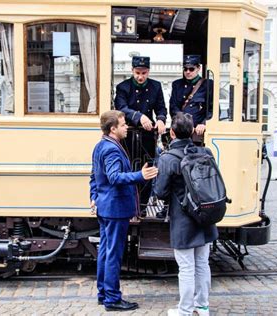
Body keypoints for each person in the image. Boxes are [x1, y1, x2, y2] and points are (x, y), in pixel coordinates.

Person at [89, 110, 158, 311]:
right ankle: (112, 298)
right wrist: (140, 175)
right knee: (113, 253)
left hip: (105, 206)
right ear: (113, 129)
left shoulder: (100, 145)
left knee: (105, 251)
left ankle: (103, 293)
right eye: (123, 124)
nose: (127, 126)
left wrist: (94, 196)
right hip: (115, 209)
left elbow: (94, 176)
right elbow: (114, 177)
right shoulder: (111, 149)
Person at [154, 113, 218, 316]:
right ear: (191, 132)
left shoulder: (167, 158)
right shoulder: (205, 151)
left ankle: (185, 310)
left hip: (183, 219)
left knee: (186, 268)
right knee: (202, 263)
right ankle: (202, 306)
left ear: (172, 133)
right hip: (206, 215)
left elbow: (161, 192)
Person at [115, 56, 167, 216]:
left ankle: (143, 206)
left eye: (144, 73)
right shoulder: (123, 87)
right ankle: (128, 205)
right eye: (137, 72)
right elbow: (121, 107)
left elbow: (161, 108)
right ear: (132, 70)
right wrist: (139, 116)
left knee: (148, 168)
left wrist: (160, 120)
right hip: (127, 136)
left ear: (148, 72)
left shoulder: (156, 86)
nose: (140, 76)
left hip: (147, 137)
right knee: (129, 168)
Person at [169, 55, 213, 145]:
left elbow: (213, 109)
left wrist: (204, 124)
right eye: (185, 69)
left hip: (198, 133)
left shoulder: (208, 84)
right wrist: (185, 125)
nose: (188, 72)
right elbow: (173, 107)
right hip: (181, 132)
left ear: (198, 68)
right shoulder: (177, 84)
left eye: (191, 69)